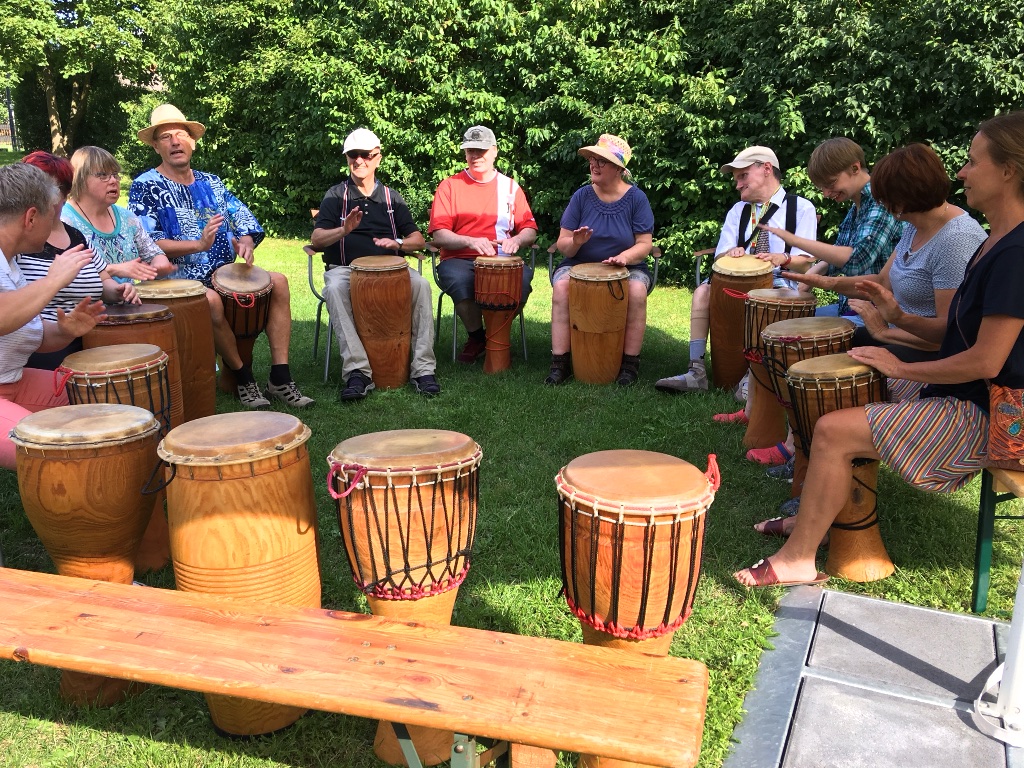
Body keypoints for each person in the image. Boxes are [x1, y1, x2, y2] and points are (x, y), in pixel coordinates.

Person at [734, 111, 1024, 588]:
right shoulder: (997, 240)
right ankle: (819, 517)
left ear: (1009, 170)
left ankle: (798, 558)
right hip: (967, 389)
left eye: (973, 162)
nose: (962, 173)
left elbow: (987, 361)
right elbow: (955, 334)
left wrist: (894, 356)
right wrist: (894, 322)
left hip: (996, 415)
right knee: (849, 388)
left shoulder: (1014, 253)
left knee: (833, 427)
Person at [128, 103, 313, 409]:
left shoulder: (212, 182)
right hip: (178, 280)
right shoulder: (145, 186)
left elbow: (244, 220)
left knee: (278, 282)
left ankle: (280, 376)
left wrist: (245, 241)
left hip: (223, 273)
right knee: (211, 299)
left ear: (192, 142)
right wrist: (198, 245)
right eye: (165, 137)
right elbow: (147, 242)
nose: (175, 141)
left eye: (181, 135)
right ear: (156, 146)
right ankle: (243, 378)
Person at [778, 143, 987, 400]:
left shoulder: (956, 238)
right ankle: (792, 437)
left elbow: (948, 334)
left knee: (836, 370)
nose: (879, 202)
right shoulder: (915, 224)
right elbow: (882, 280)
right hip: (899, 336)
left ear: (905, 196)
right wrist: (824, 282)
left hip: (932, 354)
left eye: (884, 196)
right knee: (813, 345)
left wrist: (886, 329)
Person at [655, 146, 818, 394]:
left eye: (743, 176)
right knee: (702, 292)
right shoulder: (737, 211)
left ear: (766, 169)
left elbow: (806, 261)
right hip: (734, 281)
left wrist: (781, 257)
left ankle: (753, 376)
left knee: (764, 300)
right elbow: (720, 255)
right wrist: (730, 254)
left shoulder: (801, 208)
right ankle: (696, 371)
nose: (737, 185)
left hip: (778, 283)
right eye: (736, 179)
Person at [311, 128, 439, 401]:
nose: (359, 161)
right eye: (353, 155)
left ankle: (423, 369)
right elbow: (317, 238)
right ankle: (357, 372)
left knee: (422, 286)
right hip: (346, 270)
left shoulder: (393, 198)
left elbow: (417, 239)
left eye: (366, 155)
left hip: (393, 270)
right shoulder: (335, 196)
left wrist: (399, 245)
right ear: (347, 159)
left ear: (378, 158)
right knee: (333, 289)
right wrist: (343, 231)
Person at [0, 163, 107, 470]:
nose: (54, 225)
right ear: (31, 218)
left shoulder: (11, 263)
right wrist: (52, 280)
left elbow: (33, 335)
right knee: (55, 452)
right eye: (52, 214)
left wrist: (67, 330)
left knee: (106, 399)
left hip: (14, 381)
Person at [546, 134, 654, 386]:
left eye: (601, 161)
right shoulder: (582, 196)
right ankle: (560, 363)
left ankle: (629, 365)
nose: (593, 165)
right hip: (577, 266)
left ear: (619, 169)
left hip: (629, 268)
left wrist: (624, 258)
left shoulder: (637, 199)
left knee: (637, 291)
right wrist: (576, 243)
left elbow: (644, 244)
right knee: (562, 287)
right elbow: (563, 244)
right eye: (592, 160)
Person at [16, 152, 138, 370]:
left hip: (90, 335)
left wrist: (119, 290)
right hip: (41, 344)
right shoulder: (18, 239)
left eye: (56, 189)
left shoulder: (76, 237)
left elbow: (104, 281)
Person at [760, 137, 904, 319]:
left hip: (878, 313)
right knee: (788, 321)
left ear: (855, 168)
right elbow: (835, 259)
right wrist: (803, 284)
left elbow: (857, 260)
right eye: (822, 188)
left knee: (793, 334)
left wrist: (796, 242)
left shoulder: (880, 203)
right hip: (850, 307)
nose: (826, 193)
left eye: (831, 183)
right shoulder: (856, 207)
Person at [429, 125, 538, 363]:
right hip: (459, 258)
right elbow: (439, 235)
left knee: (523, 282)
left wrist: (517, 239)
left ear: (494, 151)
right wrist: (470, 240)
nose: (475, 156)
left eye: (481, 150)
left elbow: (530, 230)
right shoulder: (449, 186)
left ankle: (495, 335)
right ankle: (477, 337)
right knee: (461, 282)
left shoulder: (510, 187)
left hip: (502, 259)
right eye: (470, 150)